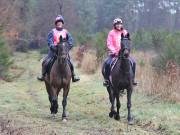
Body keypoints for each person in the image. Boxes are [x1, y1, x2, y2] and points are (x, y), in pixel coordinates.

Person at [37, 15, 80, 82]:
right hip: (54, 51)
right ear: (56, 24)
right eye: (57, 22)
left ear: (62, 23)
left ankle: (73, 76)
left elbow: (71, 40)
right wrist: (52, 46)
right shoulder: (52, 32)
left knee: (70, 63)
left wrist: (68, 47)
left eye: (60, 22)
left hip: (64, 51)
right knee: (45, 62)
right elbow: (49, 40)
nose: (59, 23)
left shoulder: (66, 32)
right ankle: (43, 76)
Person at [103, 18, 137, 87]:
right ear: (114, 25)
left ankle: (132, 80)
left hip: (124, 54)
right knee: (107, 63)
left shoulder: (125, 32)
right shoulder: (111, 33)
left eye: (120, 24)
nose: (119, 25)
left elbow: (128, 42)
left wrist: (127, 50)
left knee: (133, 62)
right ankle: (107, 80)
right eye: (117, 24)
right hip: (114, 54)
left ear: (121, 24)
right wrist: (114, 51)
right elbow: (109, 43)